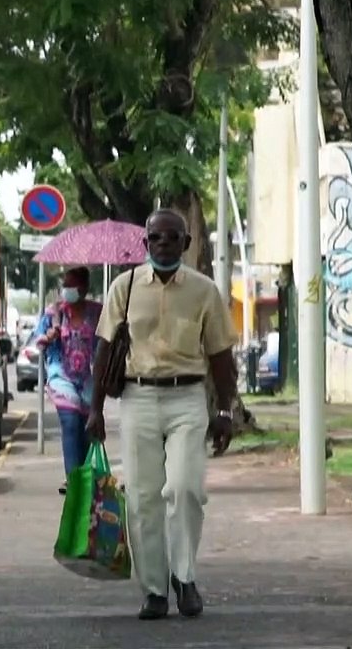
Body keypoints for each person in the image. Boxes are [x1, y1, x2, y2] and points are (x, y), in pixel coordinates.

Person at [87, 208, 238, 621]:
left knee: (186, 489)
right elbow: (105, 350)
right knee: (141, 497)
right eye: (156, 237)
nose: (164, 244)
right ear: (146, 243)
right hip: (137, 399)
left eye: (173, 237)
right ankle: (154, 589)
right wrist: (95, 409)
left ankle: (184, 577)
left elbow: (222, 357)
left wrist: (226, 410)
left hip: (188, 398)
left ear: (186, 244)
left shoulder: (205, 291)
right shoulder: (126, 286)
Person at [33, 266, 103, 493]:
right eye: (65, 284)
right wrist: (49, 336)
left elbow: (106, 342)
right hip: (61, 375)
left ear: (84, 288)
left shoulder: (98, 312)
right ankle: (73, 479)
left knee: (87, 428)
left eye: (72, 285)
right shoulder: (55, 313)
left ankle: (84, 475)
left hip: (90, 377)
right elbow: (38, 342)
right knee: (70, 422)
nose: (67, 289)